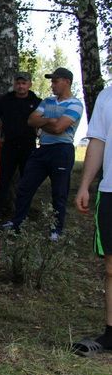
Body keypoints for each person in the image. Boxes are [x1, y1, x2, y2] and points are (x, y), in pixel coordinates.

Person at [1, 67, 83, 240]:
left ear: (67, 82)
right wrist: (51, 120)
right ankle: (17, 223)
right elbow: (31, 120)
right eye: (51, 81)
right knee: (25, 186)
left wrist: (44, 122)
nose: (52, 85)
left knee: (59, 191)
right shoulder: (46, 101)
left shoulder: (75, 104)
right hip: (43, 149)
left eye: (55, 81)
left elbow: (59, 128)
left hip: (62, 150)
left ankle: (56, 229)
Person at [73, 85, 112, 357]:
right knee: (111, 268)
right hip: (110, 191)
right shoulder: (107, 96)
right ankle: (111, 333)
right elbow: (98, 141)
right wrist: (85, 184)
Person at [0, 72, 41, 217]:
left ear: (30, 84)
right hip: (8, 147)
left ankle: (23, 213)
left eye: (24, 83)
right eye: (18, 83)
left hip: (29, 147)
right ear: (14, 84)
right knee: (2, 181)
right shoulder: (5, 101)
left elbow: (45, 121)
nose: (21, 86)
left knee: (27, 181)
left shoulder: (37, 101)